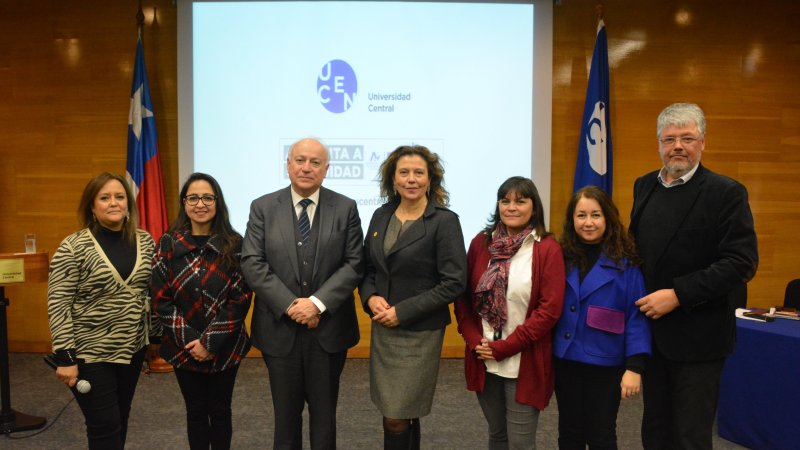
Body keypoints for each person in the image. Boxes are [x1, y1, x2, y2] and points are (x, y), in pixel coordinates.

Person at [629, 103, 758, 449]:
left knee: (690, 437)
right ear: (658, 143)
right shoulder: (644, 187)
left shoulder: (726, 193)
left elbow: (741, 263)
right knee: (654, 432)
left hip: (700, 337)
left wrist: (678, 294)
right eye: (669, 139)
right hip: (653, 336)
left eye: (687, 138)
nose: (678, 147)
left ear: (702, 142)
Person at [241, 137, 363, 450]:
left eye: (315, 162)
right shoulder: (263, 207)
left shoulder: (345, 207)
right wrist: (292, 305)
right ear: (288, 164)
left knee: (325, 418)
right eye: (300, 160)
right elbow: (252, 263)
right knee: (285, 418)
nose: (306, 168)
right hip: (279, 330)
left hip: (329, 331)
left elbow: (354, 264)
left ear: (326, 170)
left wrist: (317, 305)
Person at [359, 144, 467, 450]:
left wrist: (402, 312)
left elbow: (454, 283)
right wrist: (370, 298)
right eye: (403, 172)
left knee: (396, 415)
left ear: (430, 180)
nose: (411, 179)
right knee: (400, 413)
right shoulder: (381, 216)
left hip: (419, 332)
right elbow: (367, 269)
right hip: (384, 329)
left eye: (419, 173)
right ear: (392, 180)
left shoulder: (444, 222)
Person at [47, 172, 160, 450]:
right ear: (92, 205)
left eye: (120, 197)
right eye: (105, 197)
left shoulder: (145, 241)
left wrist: (154, 340)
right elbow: (58, 303)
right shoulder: (73, 247)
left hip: (132, 350)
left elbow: (152, 293)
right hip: (89, 353)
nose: (114, 203)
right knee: (104, 424)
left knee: (120, 418)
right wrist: (65, 356)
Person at [454, 176, 564, 450]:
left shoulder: (546, 248)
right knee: (497, 436)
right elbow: (463, 298)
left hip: (523, 359)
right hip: (483, 356)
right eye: (505, 201)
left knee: (520, 443)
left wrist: (506, 346)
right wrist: (473, 340)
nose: (511, 207)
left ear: (534, 207)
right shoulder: (481, 243)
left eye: (520, 201)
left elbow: (549, 311)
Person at [151, 172, 252, 450]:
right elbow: (161, 300)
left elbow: (241, 298)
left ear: (217, 202)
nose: (200, 204)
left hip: (226, 347)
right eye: (193, 197)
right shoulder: (167, 245)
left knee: (220, 411)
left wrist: (209, 342)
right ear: (184, 203)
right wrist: (191, 341)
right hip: (182, 347)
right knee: (195, 411)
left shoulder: (235, 244)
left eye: (208, 197)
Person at [553, 186, 651, 450]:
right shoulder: (560, 257)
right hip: (566, 360)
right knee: (569, 432)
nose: (588, 222)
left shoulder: (626, 263)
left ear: (607, 218)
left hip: (606, 365)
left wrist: (635, 368)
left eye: (595, 215)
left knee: (601, 434)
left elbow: (636, 319)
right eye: (581, 215)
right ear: (571, 220)